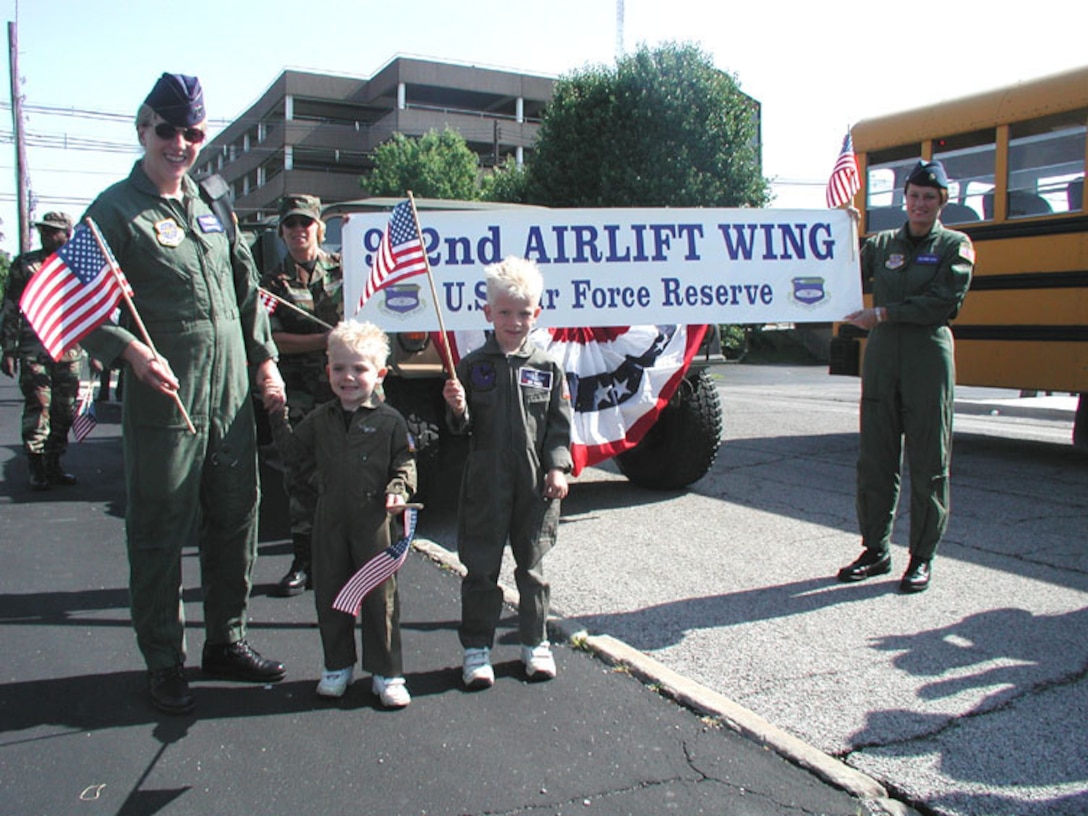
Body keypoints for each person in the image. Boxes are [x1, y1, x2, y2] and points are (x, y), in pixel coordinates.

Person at [80, 73, 288, 715]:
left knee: (236, 517)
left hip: (229, 397)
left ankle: (226, 640)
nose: (180, 143)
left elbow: (246, 290)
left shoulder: (213, 206)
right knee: (160, 528)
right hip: (166, 397)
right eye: (167, 131)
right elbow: (82, 310)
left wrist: (267, 362)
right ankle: (164, 660)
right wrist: (131, 351)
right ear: (144, 129)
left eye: (192, 133)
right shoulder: (114, 211)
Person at [837, 160, 974, 593]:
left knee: (929, 461)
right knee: (875, 457)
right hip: (881, 358)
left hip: (926, 357)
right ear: (905, 199)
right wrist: (843, 233)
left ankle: (921, 557)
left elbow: (942, 301)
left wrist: (883, 313)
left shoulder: (956, 245)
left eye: (928, 198)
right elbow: (842, 275)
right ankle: (875, 550)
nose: (919, 204)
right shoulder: (882, 244)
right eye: (913, 196)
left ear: (942, 202)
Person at [268, 321, 416, 708]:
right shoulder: (319, 419)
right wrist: (276, 414)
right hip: (329, 519)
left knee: (379, 599)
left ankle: (387, 672)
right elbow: (291, 455)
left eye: (360, 369)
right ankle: (337, 665)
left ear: (379, 374)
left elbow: (407, 462)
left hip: (374, 523)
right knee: (331, 594)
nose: (348, 377)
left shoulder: (391, 422)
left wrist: (398, 489)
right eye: (338, 368)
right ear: (327, 371)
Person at [442, 257, 572, 689]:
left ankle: (535, 643)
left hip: (534, 486)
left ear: (537, 314)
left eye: (523, 313)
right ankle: (477, 649)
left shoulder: (548, 367)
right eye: (504, 313)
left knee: (531, 568)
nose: (514, 322)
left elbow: (558, 424)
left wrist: (557, 467)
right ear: (488, 313)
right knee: (481, 569)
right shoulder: (473, 366)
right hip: (485, 483)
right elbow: (459, 429)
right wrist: (457, 408)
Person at [260, 194, 344, 597]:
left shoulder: (347, 270)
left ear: (320, 230)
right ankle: (304, 561)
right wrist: (323, 340)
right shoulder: (271, 284)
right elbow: (271, 339)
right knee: (299, 475)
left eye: (305, 224)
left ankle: (348, 560)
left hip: (345, 388)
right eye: (290, 225)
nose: (298, 231)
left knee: (351, 473)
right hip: (298, 392)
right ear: (281, 232)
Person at [1, 212, 84, 490]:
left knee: (65, 409)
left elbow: (89, 311)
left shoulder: (79, 264)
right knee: (39, 406)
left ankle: (54, 463)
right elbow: (11, 308)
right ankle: (35, 466)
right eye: (44, 231)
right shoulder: (25, 265)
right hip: (33, 347)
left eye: (53, 231)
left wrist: (99, 353)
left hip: (68, 349)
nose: (46, 235)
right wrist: (9, 350)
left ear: (67, 234)